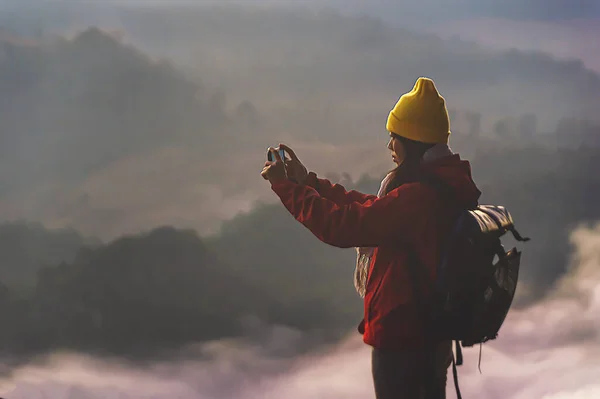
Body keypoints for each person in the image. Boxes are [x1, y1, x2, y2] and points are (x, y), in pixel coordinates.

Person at [261, 77, 482, 398]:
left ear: (414, 142)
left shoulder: (418, 197)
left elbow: (344, 225)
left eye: (395, 137)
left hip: (404, 339)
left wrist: (286, 187)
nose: (390, 146)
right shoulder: (441, 186)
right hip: (430, 335)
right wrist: (308, 182)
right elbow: (370, 209)